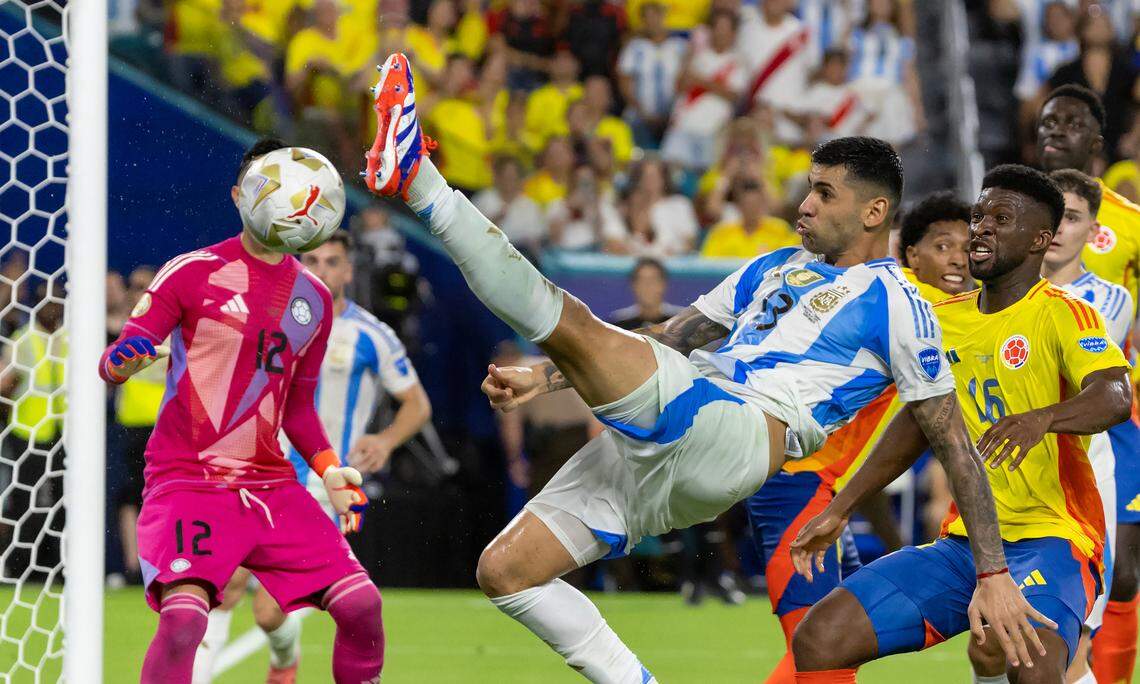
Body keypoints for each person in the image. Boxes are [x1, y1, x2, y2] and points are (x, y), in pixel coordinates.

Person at [364, 51, 1050, 682]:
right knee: (508, 570)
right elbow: (673, 334)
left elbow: (950, 438)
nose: (805, 204)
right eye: (808, 188)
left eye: (825, 194)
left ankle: (420, 181)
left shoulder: (900, 301)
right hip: (681, 430)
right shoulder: (773, 266)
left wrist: (992, 571)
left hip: (741, 431)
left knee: (573, 322)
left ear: (875, 210)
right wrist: (545, 378)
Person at [790, 164, 1134, 684]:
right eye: (979, 217)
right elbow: (918, 423)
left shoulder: (1063, 313)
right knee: (821, 637)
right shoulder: (943, 319)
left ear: (1041, 239)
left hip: (1053, 540)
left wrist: (1043, 419)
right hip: (965, 546)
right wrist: (842, 507)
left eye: (1001, 217)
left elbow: (1114, 395)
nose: (981, 229)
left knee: (1032, 666)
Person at [101, 137, 382, 684]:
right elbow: (113, 362)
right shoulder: (190, 272)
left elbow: (297, 407)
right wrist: (123, 362)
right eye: (267, 187)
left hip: (270, 485)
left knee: (362, 607)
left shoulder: (315, 301)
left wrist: (331, 471)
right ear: (238, 196)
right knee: (184, 621)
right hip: (189, 480)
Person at [744, 189, 973, 684]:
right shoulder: (918, 306)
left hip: (812, 485)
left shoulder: (891, 300)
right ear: (909, 254)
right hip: (797, 485)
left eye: (967, 246)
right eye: (942, 245)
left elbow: (868, 452)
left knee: (828, 649)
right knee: (813, 649)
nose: (958, 257)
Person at [193, 231, 431, 682]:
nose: (320, 270)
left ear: (348, 271)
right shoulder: (273, 320)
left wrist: (384, 440)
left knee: (268, 612)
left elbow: (418, 405)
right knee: (225, 585)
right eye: (312, 261)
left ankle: (284, 660)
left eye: (331, 262)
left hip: (324, 486)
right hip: (260, 473)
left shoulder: (371, 334)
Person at [1035, 83, 1140, 683]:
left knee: (1121, 570)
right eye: (1048, 121)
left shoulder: (1125, 224)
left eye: (1071, 123)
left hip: (1106, 407)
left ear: (1095, 140)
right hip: (1023, 397)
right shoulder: (1009, 204)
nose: (1056, 131)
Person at [616, 1, 688, 148]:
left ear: (663, 17)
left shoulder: (679, 46)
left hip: (672, 116)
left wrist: (672, 111)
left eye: (655, 16)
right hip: (640, 115)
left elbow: (685, 81)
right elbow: (624, 82)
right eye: (647, 18)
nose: (652, 22)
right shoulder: (634, 47)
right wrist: (642, 112)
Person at [701, 176, 798, 258]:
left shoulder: (779, 229)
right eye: (747, 205)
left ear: (763, 205)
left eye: (756, 204)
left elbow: (792, 258)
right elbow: (708, 262)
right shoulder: (721, 232)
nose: (752, 209)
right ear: (738, 206)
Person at [473, 155, 547, 256]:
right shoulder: (483, 199)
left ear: (520, 179)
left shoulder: (531, 206)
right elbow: (473, 234)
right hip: (487, 251)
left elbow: (536, 241)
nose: (509, 181)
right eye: (505, 176)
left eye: (513, 177)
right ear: (497, 177)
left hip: (521, 255)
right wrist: (495, 220)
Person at [609, 258, 682, 330]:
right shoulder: (618, 324)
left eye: (653, 280)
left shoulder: (681, 321)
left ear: (663, 284)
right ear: (633, 285)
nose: (647, 286)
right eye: (642, 281)